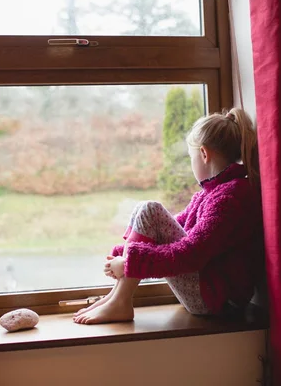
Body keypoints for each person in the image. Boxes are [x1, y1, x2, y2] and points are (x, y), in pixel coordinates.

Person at [73, 107, 264, 325]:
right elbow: (166, 228)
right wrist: (125, 256)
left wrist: (128, 263)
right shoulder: (210, 194)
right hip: (209, 291)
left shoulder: (231, 196)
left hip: (220, 300)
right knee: (146, 210)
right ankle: (117, 297)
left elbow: (190, 254)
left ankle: (120, 301)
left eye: (191, 157)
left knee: (150, 209)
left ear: (203, 154)